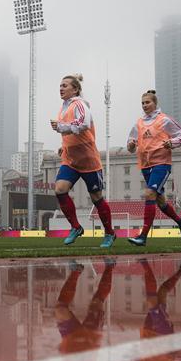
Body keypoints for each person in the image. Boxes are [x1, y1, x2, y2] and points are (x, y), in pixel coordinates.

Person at [50, 73, 116, 248]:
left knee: (96, 198)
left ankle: (109, 233)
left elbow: (83, 124)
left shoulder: (79, 104)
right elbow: (69, 133)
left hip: (88, 161)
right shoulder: (63, 107)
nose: (61, 88)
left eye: (65, 85)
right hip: (70, 160)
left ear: (76, 89)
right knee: (60, 190)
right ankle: (76, 227)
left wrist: (61, 127)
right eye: (60, 85)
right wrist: (63, 146)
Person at [125, 90, 181, 246]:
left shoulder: (164, 120)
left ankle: (143, 237)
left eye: (148, 102)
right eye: (143, 103)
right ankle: (180, 222)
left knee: (149, 194)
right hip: (145, 166)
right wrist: (131, 144)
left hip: (162, 164)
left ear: (155, 103)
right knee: (160, 202)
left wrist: (172, 143)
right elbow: (130, 146)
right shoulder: (138, 123)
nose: (145, 105)